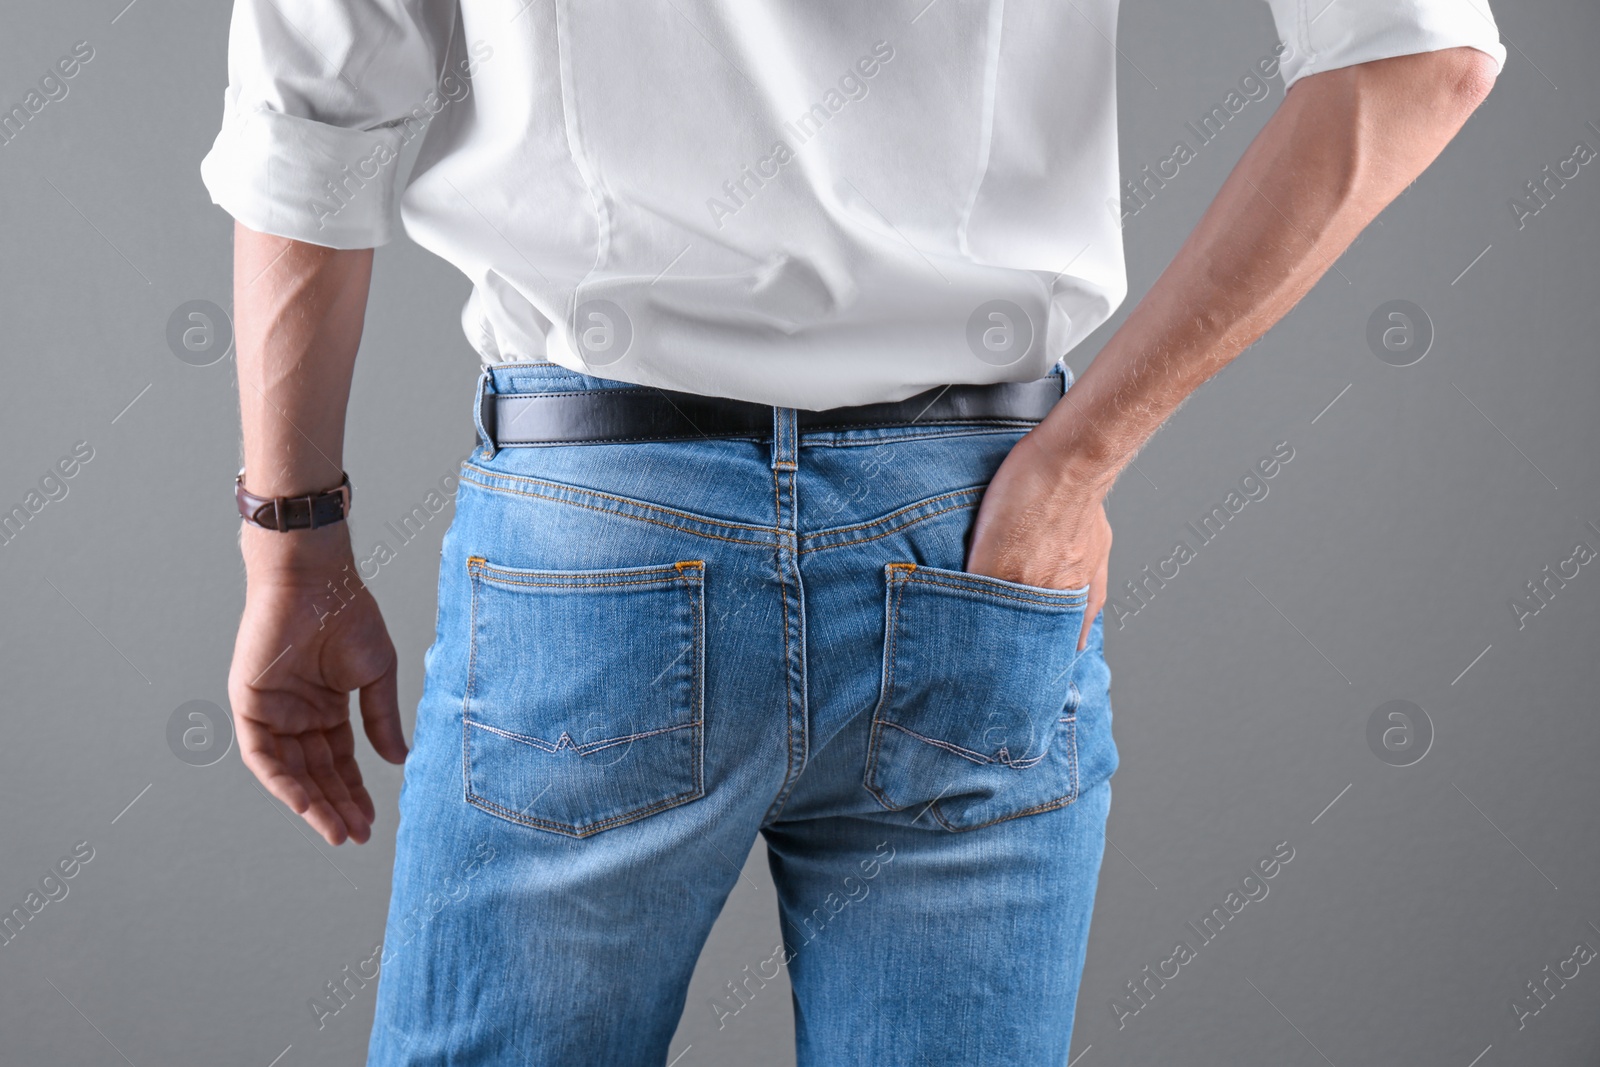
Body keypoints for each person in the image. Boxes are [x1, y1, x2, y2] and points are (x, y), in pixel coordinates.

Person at [203, 1, 1504, 1063]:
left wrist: (295, 547)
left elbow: (311, 114)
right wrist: (1076, 463)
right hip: (979, 542)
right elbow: (1420, 55)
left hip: (597, 534)